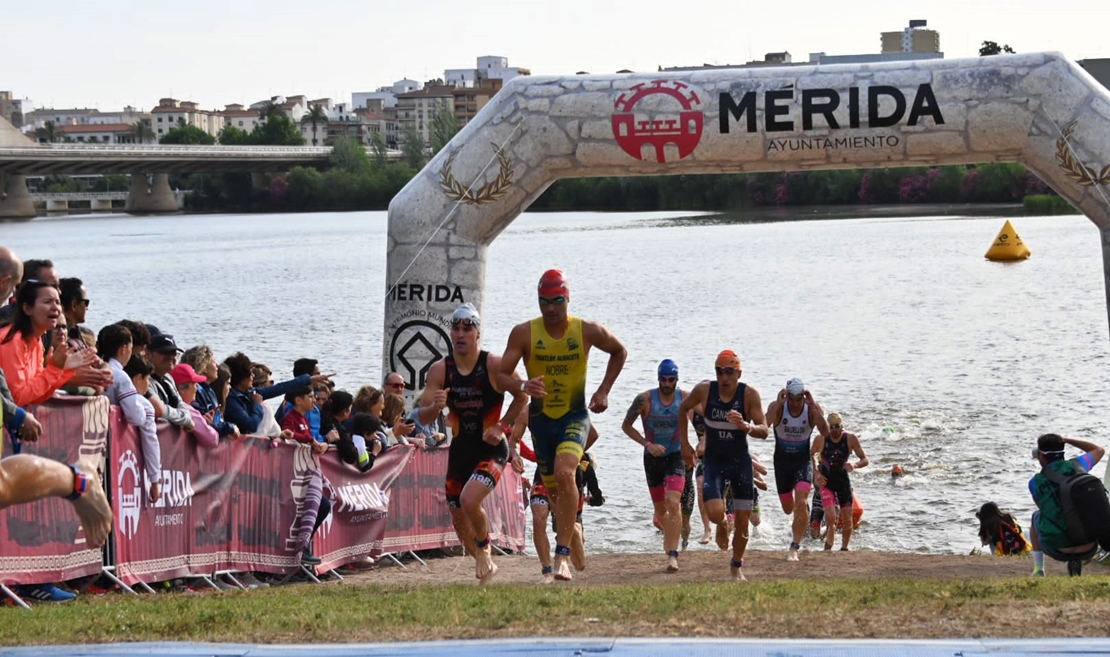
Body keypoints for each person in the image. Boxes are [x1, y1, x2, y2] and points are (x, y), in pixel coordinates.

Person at [498, 269, 627, 581]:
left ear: (567, 299)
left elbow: (619, 352)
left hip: (574, 416)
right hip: (541, 424)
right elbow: (501, 374)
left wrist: (603, 390)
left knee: (565, 472)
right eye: (544, 302)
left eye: (557, 301)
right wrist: (523, 386)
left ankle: (562, 556)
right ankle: (574, 536)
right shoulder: (524, 333)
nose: (551, 308)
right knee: (556, 499)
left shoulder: (586, 331)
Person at [417, 303, 527, 584]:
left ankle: (484, 549)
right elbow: (424, 414)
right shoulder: (441, 370)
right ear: (451, 333)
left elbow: (523, 396)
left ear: (478, 333)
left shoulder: (494, 365)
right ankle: (483, 567)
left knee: (469, 499)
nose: (461, 334)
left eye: (467, 329)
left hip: (492, 448)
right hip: (461, 449)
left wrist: (502, 426)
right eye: (456, 328)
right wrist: (436, 407)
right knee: (457, 515)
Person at [678, 350, 768, 581]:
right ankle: (719, 525)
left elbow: (764, 430)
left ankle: (736, 566)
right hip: (714, 462)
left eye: (729, 372)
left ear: (739, 373)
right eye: (719, 371)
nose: (724, 377)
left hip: (740, 464)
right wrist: (685, 444)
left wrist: (746, 426)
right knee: (716, 513)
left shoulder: (749, 395)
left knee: (742, 522)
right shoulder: (705, 390)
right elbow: (682, 408)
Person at [622, 358, 686, 573]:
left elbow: (702, 421)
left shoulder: (684, 399)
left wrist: (700, 443)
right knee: (660, 511)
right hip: (652, 459)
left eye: (671, 379)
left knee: (673, 501)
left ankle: (673, 555)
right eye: (663, 379)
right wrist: (647, 444)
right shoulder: (644, 400)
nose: (667, 384)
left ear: (676, 379)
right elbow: (626, 426)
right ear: (658, 378)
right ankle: (669, 541)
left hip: (676, 456)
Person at [0, 281, 107, 406]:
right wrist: (54, 369)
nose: (56, 308)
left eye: (57, 302)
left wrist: (62, 370)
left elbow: (36, 397)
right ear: (28, 308)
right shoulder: (13, 340)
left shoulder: (36, 340)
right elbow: (16, 398)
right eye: (47, 302)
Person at [765, 377, 829, 562]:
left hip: (802, 462)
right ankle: (803, 515)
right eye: (790, 399)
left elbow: (825, 432)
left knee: (800, 502)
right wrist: (778, 404)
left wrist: (813, 406)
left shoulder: (812, 410)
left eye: (798, 399)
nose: (794, 404)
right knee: (788, 509)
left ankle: (794, 547)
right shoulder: (778, 407)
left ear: (804, 396)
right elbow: (765, 425)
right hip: (782, 465)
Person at [1028, 433, 1105, 577]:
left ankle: (1038, 569)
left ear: (1042, 456)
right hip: (1090, 546)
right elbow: (1099, 450)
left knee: (1036, 516)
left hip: (1059, 549)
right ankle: (1078, 559)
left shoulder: (1035, 482)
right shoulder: (1078, 465)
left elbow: (1046, 511)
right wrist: (1067, 440)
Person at [811, 412, 869, 551]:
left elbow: (865, 459)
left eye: (837, 426)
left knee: (848, 520)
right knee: (831, 519)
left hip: (843, 482)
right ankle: (827, 549)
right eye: (831, 427)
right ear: (828, 427)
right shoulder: (821, 439)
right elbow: (810, 455)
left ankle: (844, 549)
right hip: (826, 483)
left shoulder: (850, 439)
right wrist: (816, 472)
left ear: (842, 426)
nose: (834, 430)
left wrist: (854, 465)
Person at [168, 363, 219, 448]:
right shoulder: (188, 410)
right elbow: (213, 440)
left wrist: (203, 421)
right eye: (194, 383)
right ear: (182, 389)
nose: (197, 386)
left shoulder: (167, 402)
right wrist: (209, 426)